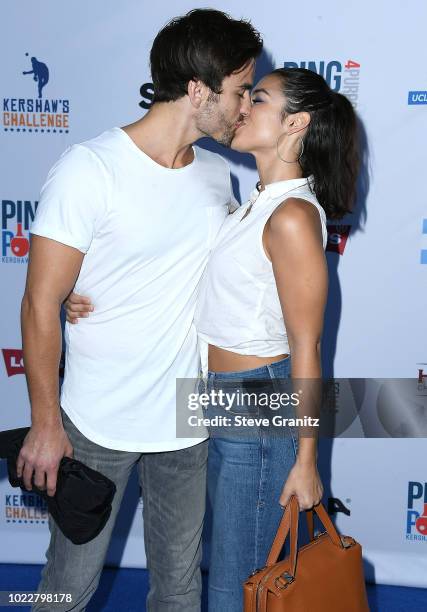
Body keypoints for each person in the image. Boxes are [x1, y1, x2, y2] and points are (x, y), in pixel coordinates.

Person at [66, 66, 359, 611]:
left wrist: (306, 460)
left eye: (260, 98)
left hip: (258, 403)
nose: (243, 106)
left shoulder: (292, 215)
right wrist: (72, 291)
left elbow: (308, 346)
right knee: (229, 576)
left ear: (295, 124)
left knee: (236, 588)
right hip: (217, 399)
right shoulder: (255, 202)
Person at [19, 9, 262, 611]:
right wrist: (45, 422)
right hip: (96, 420)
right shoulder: (90, 169)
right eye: (238, 92)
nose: (245, 107)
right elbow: (38, 302)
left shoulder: (216, 176)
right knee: (66, 591)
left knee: (179, 590)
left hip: (186, 421)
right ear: (199, 90)